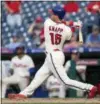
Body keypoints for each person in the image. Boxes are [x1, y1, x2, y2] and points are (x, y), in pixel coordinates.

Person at [8, 5, 97, 100]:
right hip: (56, 55)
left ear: (56, 15)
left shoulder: (48, 22)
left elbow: (61, 22)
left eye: (53, 13)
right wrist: (76, 25)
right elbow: (68, 32)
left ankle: (90, 88)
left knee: (65, 81)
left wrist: (71, 23)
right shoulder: (66, 30)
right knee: (39, 76)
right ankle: (23, 94)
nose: (51, 14)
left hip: (53, 56)